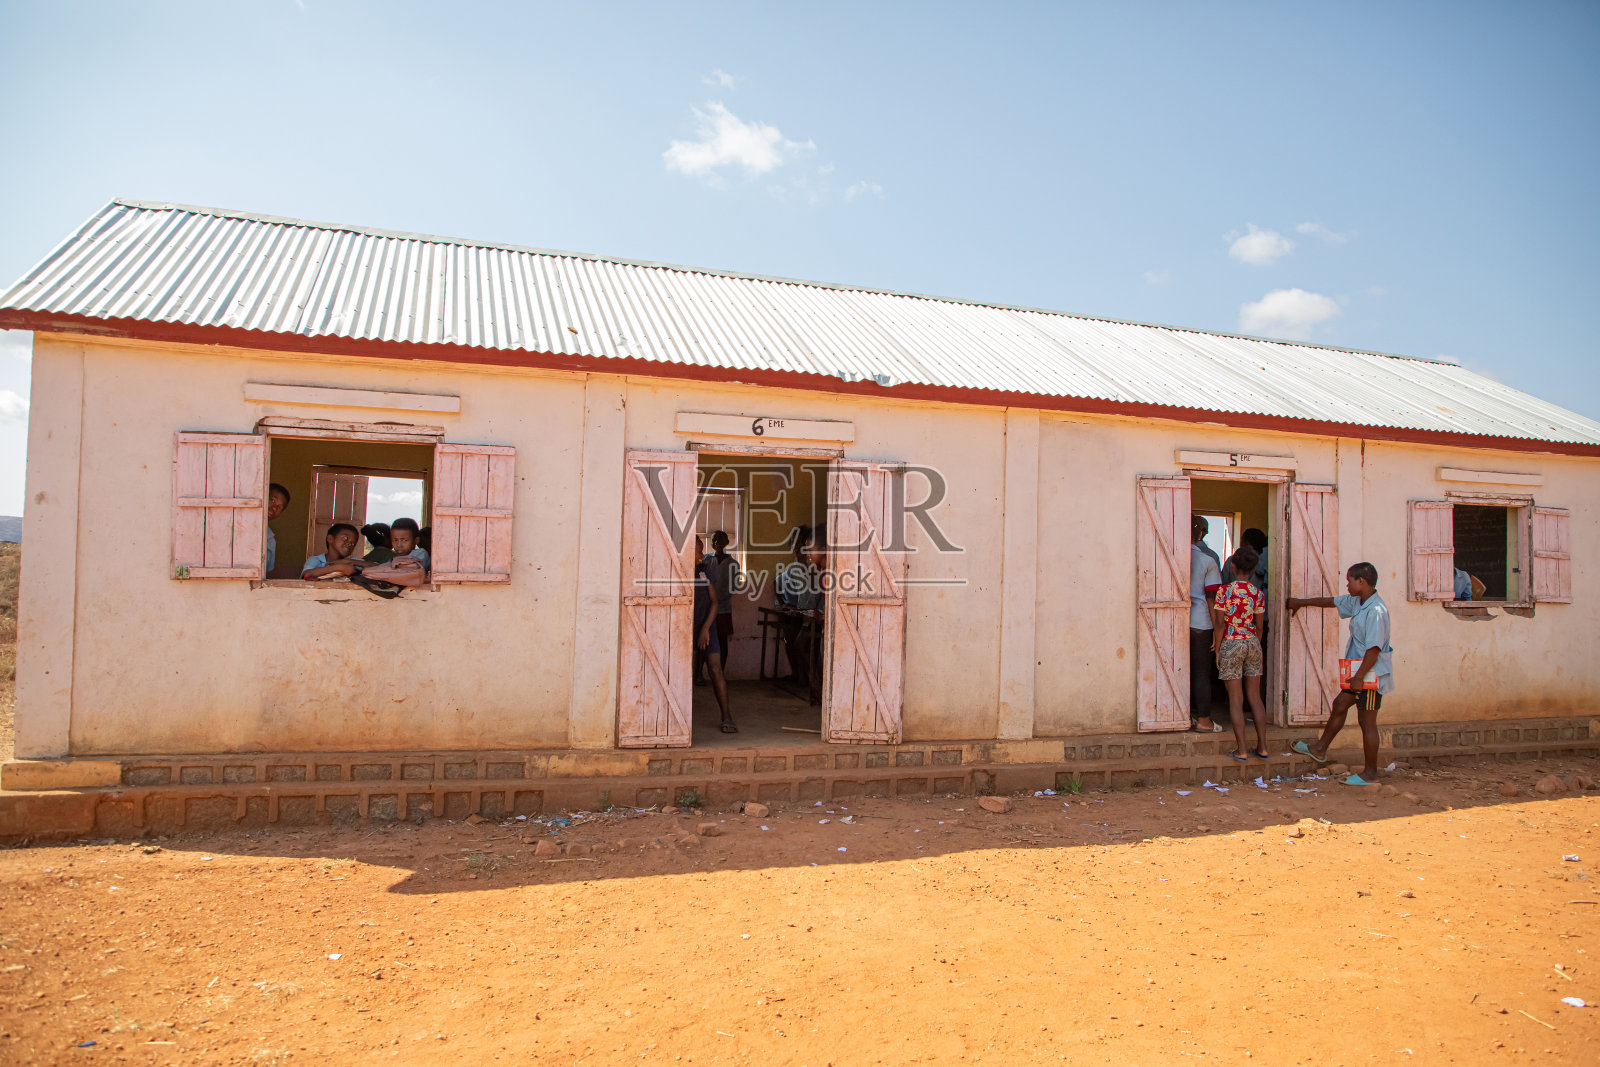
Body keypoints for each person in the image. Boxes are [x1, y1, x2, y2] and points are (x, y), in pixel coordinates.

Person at [1287, 562, 1395, 785]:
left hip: (1370, 673)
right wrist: (1301, 603)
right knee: (1339, 706)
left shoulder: (1376, 611)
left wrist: (1359, 677)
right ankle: (1319, 749)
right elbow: (1332, 602)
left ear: (1361, 582)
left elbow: (1374, 649)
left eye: (1350, 580)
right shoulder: (1358, 602)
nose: (1347, 584)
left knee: (1367, 722)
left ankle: (1370, 772)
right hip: (1357, 671)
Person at [1212, 546, 1270, 761]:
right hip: (1253, 642)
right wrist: (1256, 643)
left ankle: (1242, 750)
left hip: (1231, 642)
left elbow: (1219, 624)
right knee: (1255, 697)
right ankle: (1263, 747)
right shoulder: (1257, 593)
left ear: (1233, 566)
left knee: (1236, 698)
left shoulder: (1224, 591)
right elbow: (1260, 625)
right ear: (1254, 570)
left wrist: (1218, 648)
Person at [693, 535, 736, 733]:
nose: (701, 554)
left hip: (706, 624)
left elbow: (715, 602)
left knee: (715, 668)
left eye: (702, 550)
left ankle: (727, 715)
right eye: (698, 550)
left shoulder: (704, 569)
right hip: (683, 626)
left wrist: (704, 628)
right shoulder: (675, 570)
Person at [1189, 516, 1224, 732]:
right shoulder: (1208, 561)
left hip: (1174, 620)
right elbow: (1212, 599)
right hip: (1201, 622)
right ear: (1201, 534)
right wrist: (1217, 630)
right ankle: (1203, 720)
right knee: (1201, 672)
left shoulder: (1173, 557)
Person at [698, 530, 741, 683]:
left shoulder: (733, 564)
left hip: (723, 609)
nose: (716, 543)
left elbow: (732, 587)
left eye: (720, 540)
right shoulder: (705, 560)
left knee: (722, 641)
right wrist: (708, 600)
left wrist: (715, 598)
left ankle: (719, 674)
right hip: (706, 608)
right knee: (703, 641)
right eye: (714, 540)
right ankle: (699, 675)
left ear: (727, 543)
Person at [265, 483, 291, 574]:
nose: (274, 508)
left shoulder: (270, 539)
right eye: (272, 500)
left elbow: (268, 572)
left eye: (279, 507)